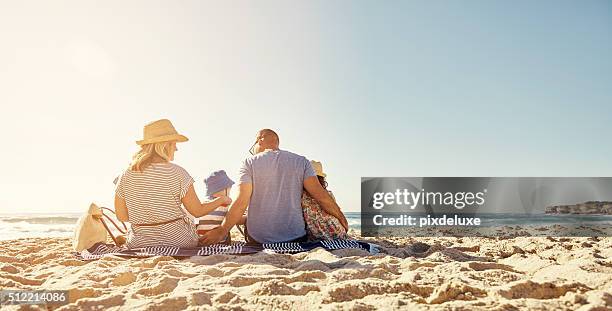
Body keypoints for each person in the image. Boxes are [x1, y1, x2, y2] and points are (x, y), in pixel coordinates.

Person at [200, 129, 348, 245]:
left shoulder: (249, 162)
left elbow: (242, 200)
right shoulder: (302, 161)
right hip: (296, 238)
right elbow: (321, 196)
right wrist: (341, 218)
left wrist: (223, 230)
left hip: (258, 239)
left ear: (260, 140)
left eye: (254, 146)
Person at [114, 119, 231, 248]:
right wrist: (221, 200)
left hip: (139, 243)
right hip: (179, 242)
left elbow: (122, 216)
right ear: (165, 145)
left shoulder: (125, 175)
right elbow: (197, 211)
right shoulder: (179, 173)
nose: (176, 148)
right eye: (174, 143)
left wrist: (149, 216)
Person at [302, 160, 348, 240]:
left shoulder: (301, 196)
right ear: (322, 179)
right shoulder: (328, 194)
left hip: (314, 235)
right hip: (335, 232)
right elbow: (336, 210)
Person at [196, 170, 236, 244]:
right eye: (229, 189)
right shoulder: (225, 206)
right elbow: (236, 219)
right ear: (224, 189)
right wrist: (246, 218)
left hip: (202, 242)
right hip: (219, 242)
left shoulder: (203, 204)